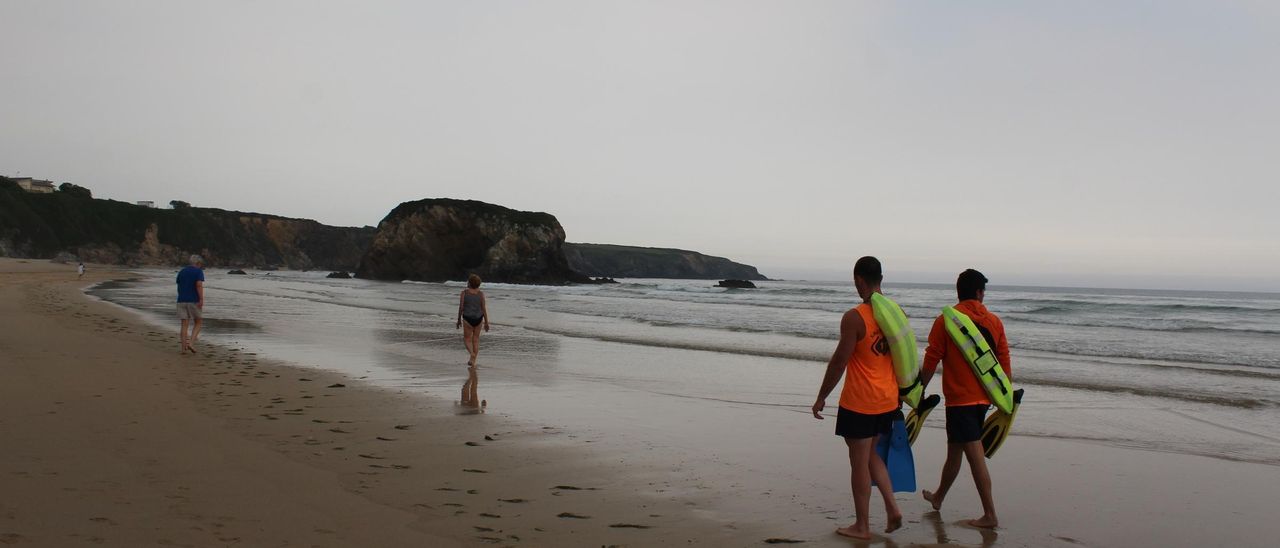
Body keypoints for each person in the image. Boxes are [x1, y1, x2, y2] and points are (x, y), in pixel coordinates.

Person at [812, 256, 904, 540]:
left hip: (860, 401)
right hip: (887, 399)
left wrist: (821, 396)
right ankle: (892, 508)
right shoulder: (894, 313)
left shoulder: (855, 316)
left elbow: (840, 361)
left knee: (859, 462)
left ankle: (862, 525)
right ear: (881, 279)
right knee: (872, 455)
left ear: (859, 280)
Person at [919, 269, 1011, 528]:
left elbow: (931, 359)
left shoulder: (946, 321)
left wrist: (919, 390)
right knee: (954, 453)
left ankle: (990, 514)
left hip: (960, 401)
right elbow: (1003, 360)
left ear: (958, 292)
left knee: (974, 456)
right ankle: (938, 498)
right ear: (980, 293)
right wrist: (1005, 398)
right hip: (984, 400)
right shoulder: (994, 321)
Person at [455, 274, 490, 365]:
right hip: (479, 318)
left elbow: (461, 307)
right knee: (476, 339)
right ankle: (473, 360)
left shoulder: (464, 293)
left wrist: (459, 320)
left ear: (470, 283)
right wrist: (486, 322)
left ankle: (472, 354)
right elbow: (483, 308)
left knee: (467, 339)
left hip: (467, 318)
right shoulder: (481, 294)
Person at [176, 254, 205, 354]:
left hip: (181, 300)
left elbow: (179, 285)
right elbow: (199, 285)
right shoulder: (198, 271)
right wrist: (201, 299)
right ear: (198, 263)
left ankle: (183, 348)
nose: (201, 266)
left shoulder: (182, 271)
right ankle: (191, 343)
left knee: (184, 324)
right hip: (193, 300)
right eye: (200, 264)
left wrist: (181, 296)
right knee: (198, 322)